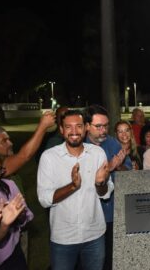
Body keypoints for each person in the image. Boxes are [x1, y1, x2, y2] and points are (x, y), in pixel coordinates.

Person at [37, 109, 113, 270]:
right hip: (63, 238)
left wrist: (100, 183)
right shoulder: (49, 157)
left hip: (94, 235)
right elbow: (44, 199)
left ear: (86, 128)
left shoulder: (97, 153)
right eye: (68, 127)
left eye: (78, 126)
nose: (74, 132)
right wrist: (72, 186)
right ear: (61, 130)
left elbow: (105, 194)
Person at [83, 105, 131, 270]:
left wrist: (120, 166)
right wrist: (110, 167)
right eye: (99, 126)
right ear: (87, 126)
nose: (104, 130)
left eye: (106, 125)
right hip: (88, 216)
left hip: (112, 213)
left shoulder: (112, 143)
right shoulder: (78, 146)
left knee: (111, 257)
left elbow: (128, 172)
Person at [0, 111, 56, 177]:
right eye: (4, 141)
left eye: (9, 139)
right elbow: (24, 155)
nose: (11, 143)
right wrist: (43, 126)